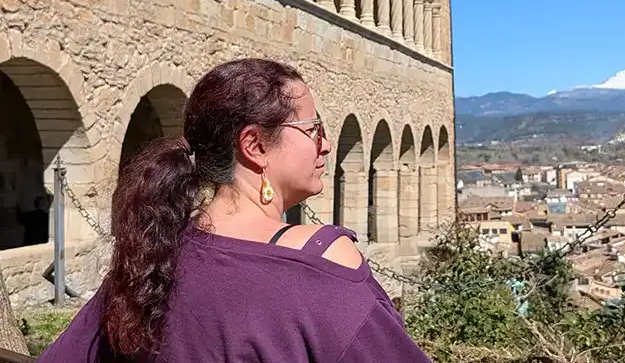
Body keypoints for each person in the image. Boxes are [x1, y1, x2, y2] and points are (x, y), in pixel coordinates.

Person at [37, 58, 432, 362]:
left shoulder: (152, 260)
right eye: (314, 129)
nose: (326, 145)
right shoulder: (321, 265)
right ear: (255, 146)